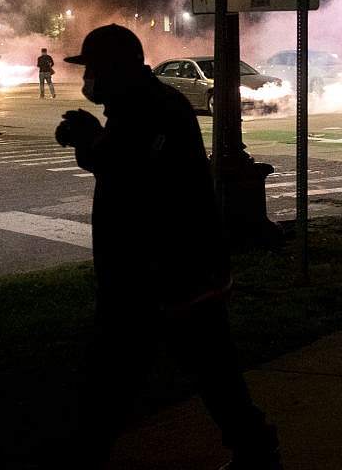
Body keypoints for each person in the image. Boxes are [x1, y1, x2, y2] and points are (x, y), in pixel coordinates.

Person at [53, 24, 281, 470]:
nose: (88, 79)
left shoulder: (158, 107)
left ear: (114, 68)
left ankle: (254, 449)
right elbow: (117, 161)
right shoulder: (131, 105)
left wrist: (91, 140)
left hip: (169, 276)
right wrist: (92, 141)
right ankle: (255, 450)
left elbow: (137, 174)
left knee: (120, 380)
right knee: (206, 374)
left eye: (93, 68)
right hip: (157, 276)